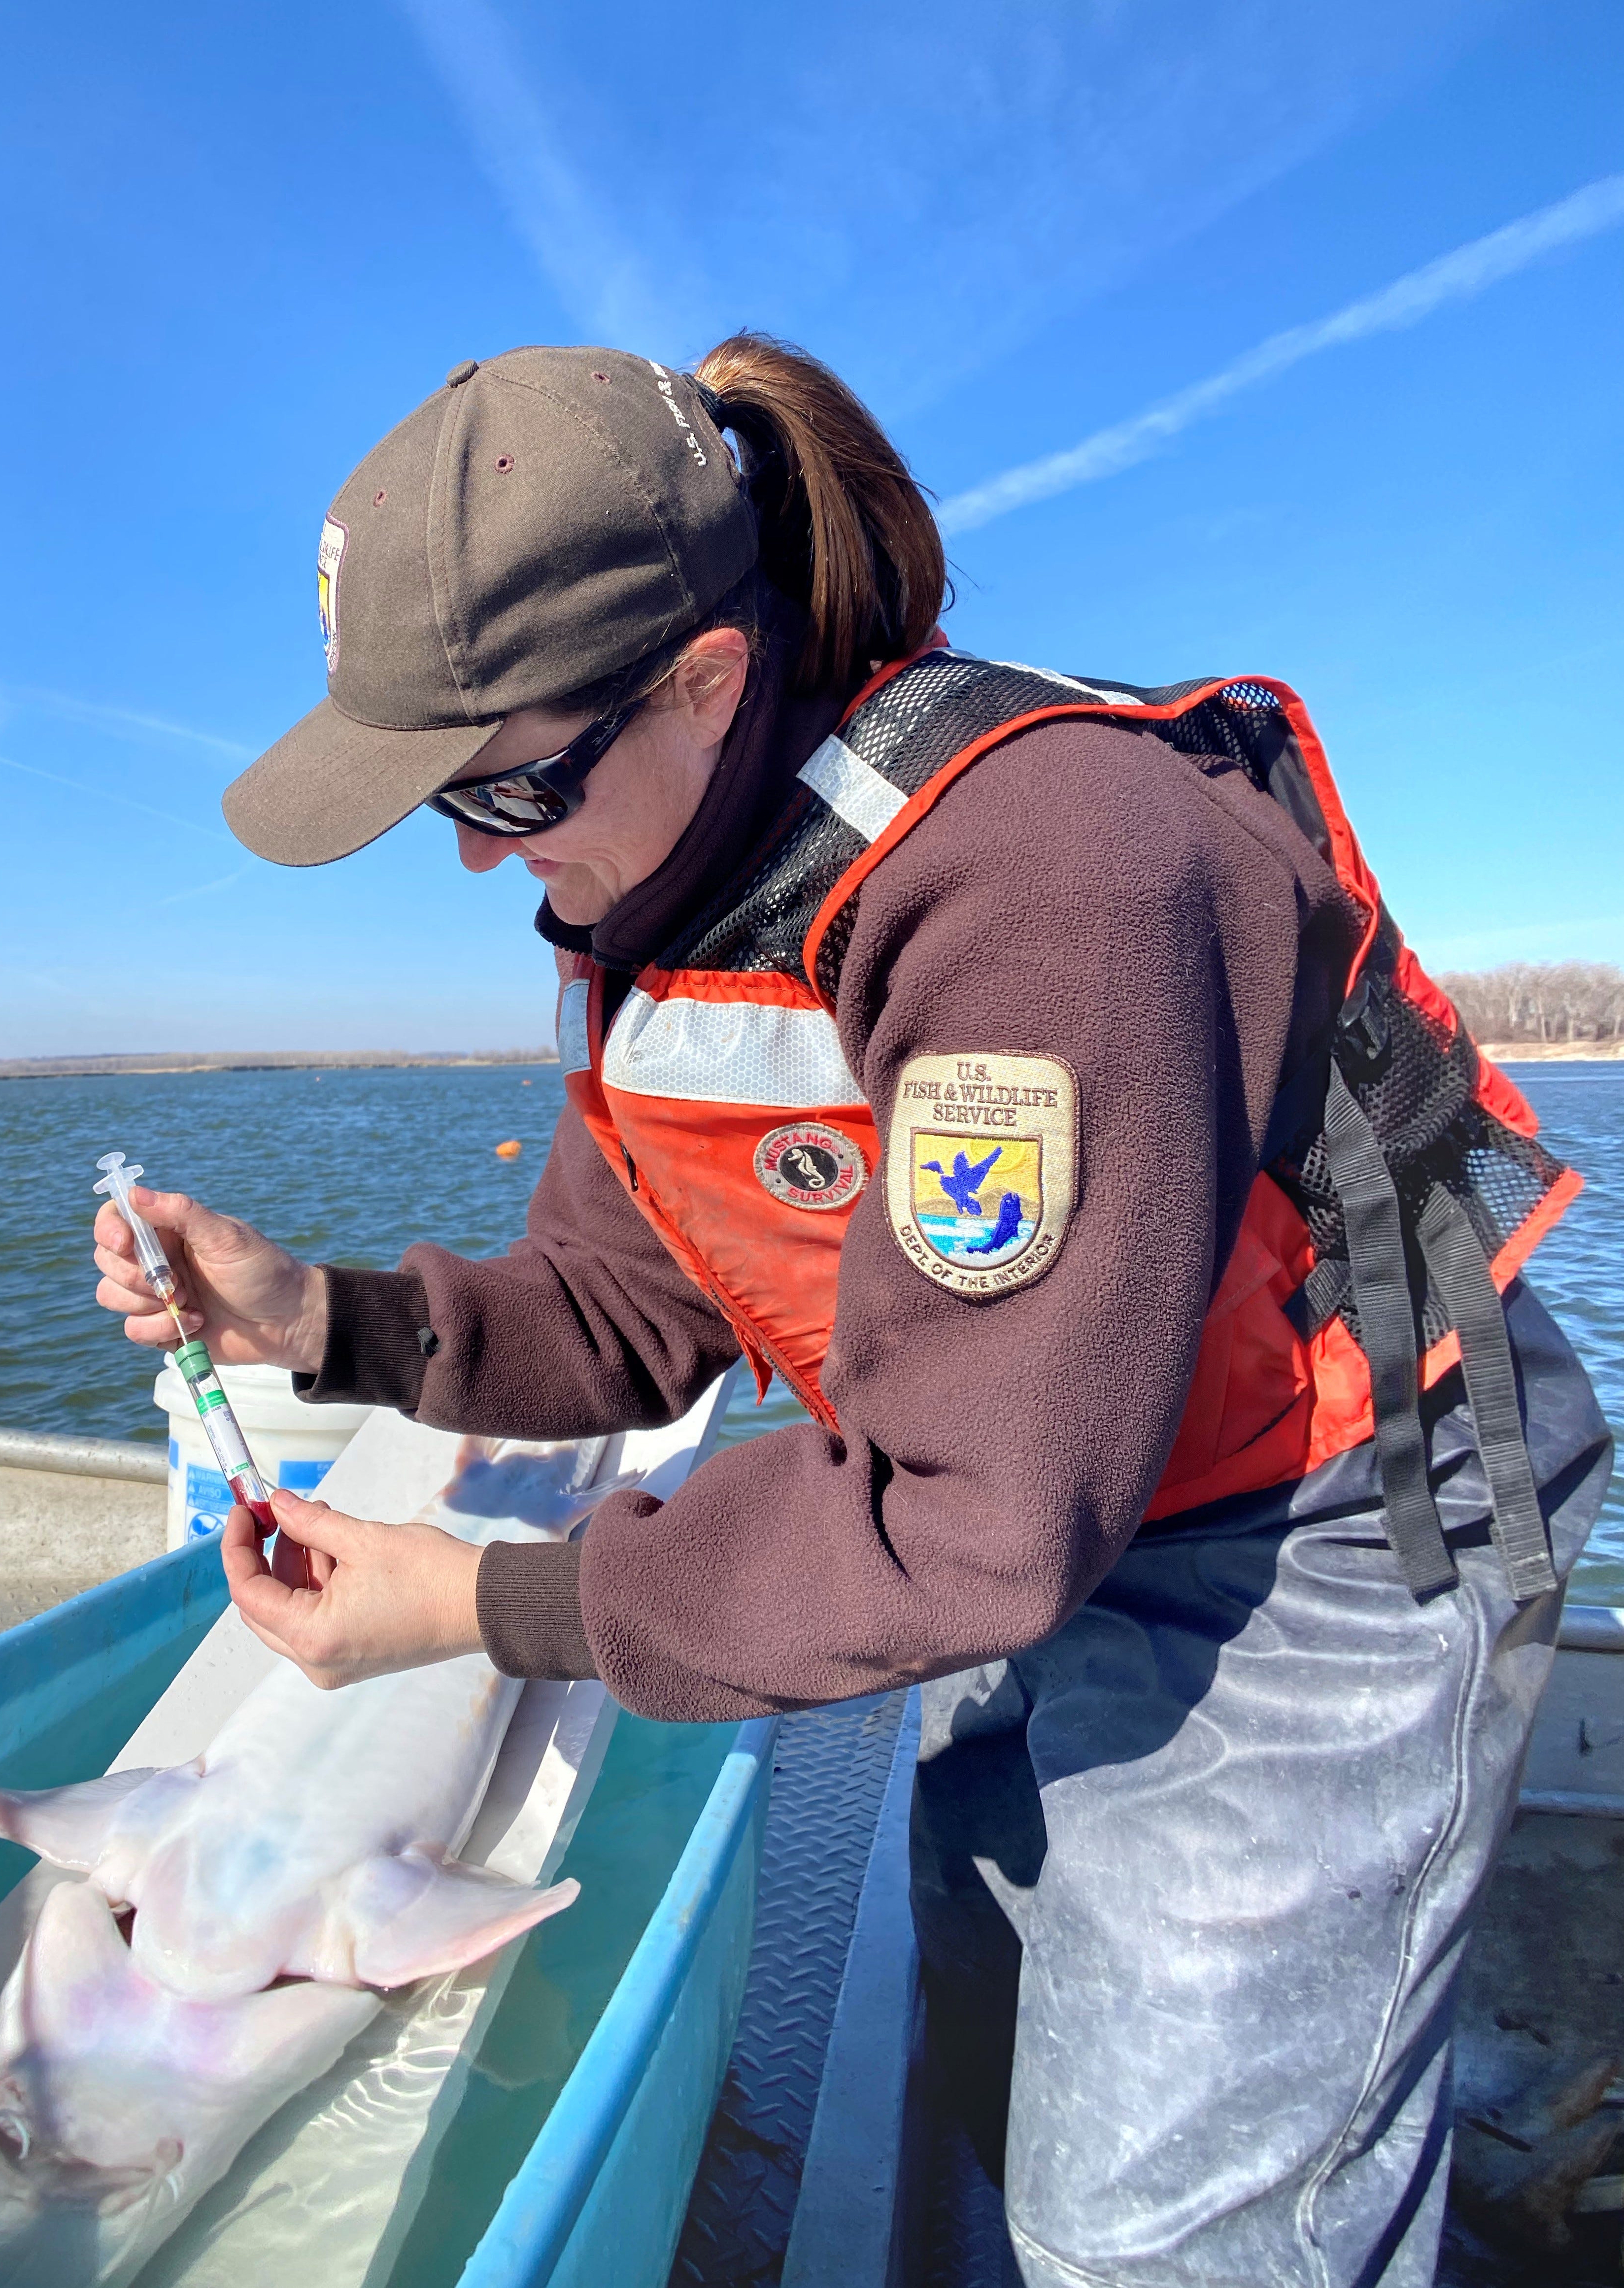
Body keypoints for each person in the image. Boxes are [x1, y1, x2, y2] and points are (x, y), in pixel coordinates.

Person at [94, 336, 1613, 2287]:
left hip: (1335, 1502)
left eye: (508, 782)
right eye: (434, 804)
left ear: (706, 678)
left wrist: (472, 1605)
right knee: (990, 2001)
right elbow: (623, 1313)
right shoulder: (647, 904)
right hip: (1059, 1481)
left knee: (1167, 2219)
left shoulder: (1030, 869)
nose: (481, 854)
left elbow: (971, 1527)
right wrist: (310, 1313)